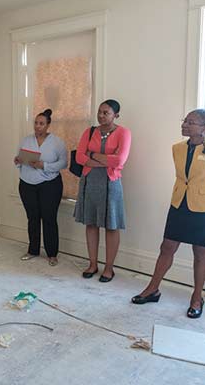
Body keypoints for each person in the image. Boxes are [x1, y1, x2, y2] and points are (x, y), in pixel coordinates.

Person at [132, 109, 205, 318]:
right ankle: (152, 288)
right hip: (180, 204)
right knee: (166, 247)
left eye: (191, 122)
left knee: (200, 253)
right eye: (185, 121)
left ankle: (196, 298)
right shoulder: (177, 148)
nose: (185, 125)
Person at [73, 100, 131, 282]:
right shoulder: (89, 132)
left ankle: (109, 268)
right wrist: (104, 159)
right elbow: (79, 157)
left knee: (111, 226)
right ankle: (92, 264)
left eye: (106, 112)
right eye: (99, 112)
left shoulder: (123, 133)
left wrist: (92, 156)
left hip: (110, 183)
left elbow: (119, 160)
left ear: (116, 115)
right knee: (91, 223)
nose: (101, 115)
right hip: (89, 181)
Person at [14, 109, 68, 266]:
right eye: (36, 123)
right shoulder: (26, 140)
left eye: (41, 123)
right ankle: (33, 250)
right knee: (32, 218)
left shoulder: (57, 142)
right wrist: (18, 160)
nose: (37, 126)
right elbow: (18, 158)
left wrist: (43, 165)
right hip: (26, 183)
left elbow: (64, 163)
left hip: (49, 185)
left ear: (48, 125)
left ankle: (52, 254)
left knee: (49, 219)